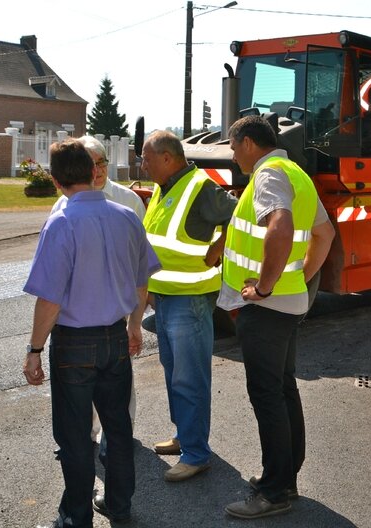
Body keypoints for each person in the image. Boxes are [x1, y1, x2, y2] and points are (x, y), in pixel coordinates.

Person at [22, 139, 159, 527]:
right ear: (91, 169)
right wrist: (133, 325)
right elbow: (141, 279)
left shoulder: (61, 221)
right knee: (117, 428)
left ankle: (76, 515)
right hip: (114, 337)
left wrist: (34, 348)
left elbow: (49, 299)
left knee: (75, 435)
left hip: (74, 342)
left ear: (56, 180)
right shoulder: (127, 215)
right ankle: (119, 504)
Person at [220, 115, 335, 519]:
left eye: (233, 148)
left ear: (249, 143)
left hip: (265, 307)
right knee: (284, 391)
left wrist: (266, 286)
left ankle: (273, 493)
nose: (233, 157)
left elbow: (280, 227)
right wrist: (298, 278)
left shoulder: (268, 175)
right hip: (285, 304)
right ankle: (285, 478)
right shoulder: (296, 173)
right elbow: (325, 235)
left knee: (268, 396)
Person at [140, 130, 238, 482]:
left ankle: (196, 453)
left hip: (190, 300)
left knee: (190, 376)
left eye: (146, 158)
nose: (142, 164)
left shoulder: (199, 186)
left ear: (167, 158)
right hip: (164, 299)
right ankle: (185, 436)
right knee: (173, 372)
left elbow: (240, 215)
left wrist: (220, 247)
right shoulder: (163, 188)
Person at [50, 135, 145, 447]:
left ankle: (115, 437)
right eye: (92, 164)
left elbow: (139, 262)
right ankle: (87, 434)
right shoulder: (62, 205)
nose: (99, 169)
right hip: (77, 319)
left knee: (118, 389)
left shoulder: (127, 201)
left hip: (113, 316)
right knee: (82, 391)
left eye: (102, 162)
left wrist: (135, 318)